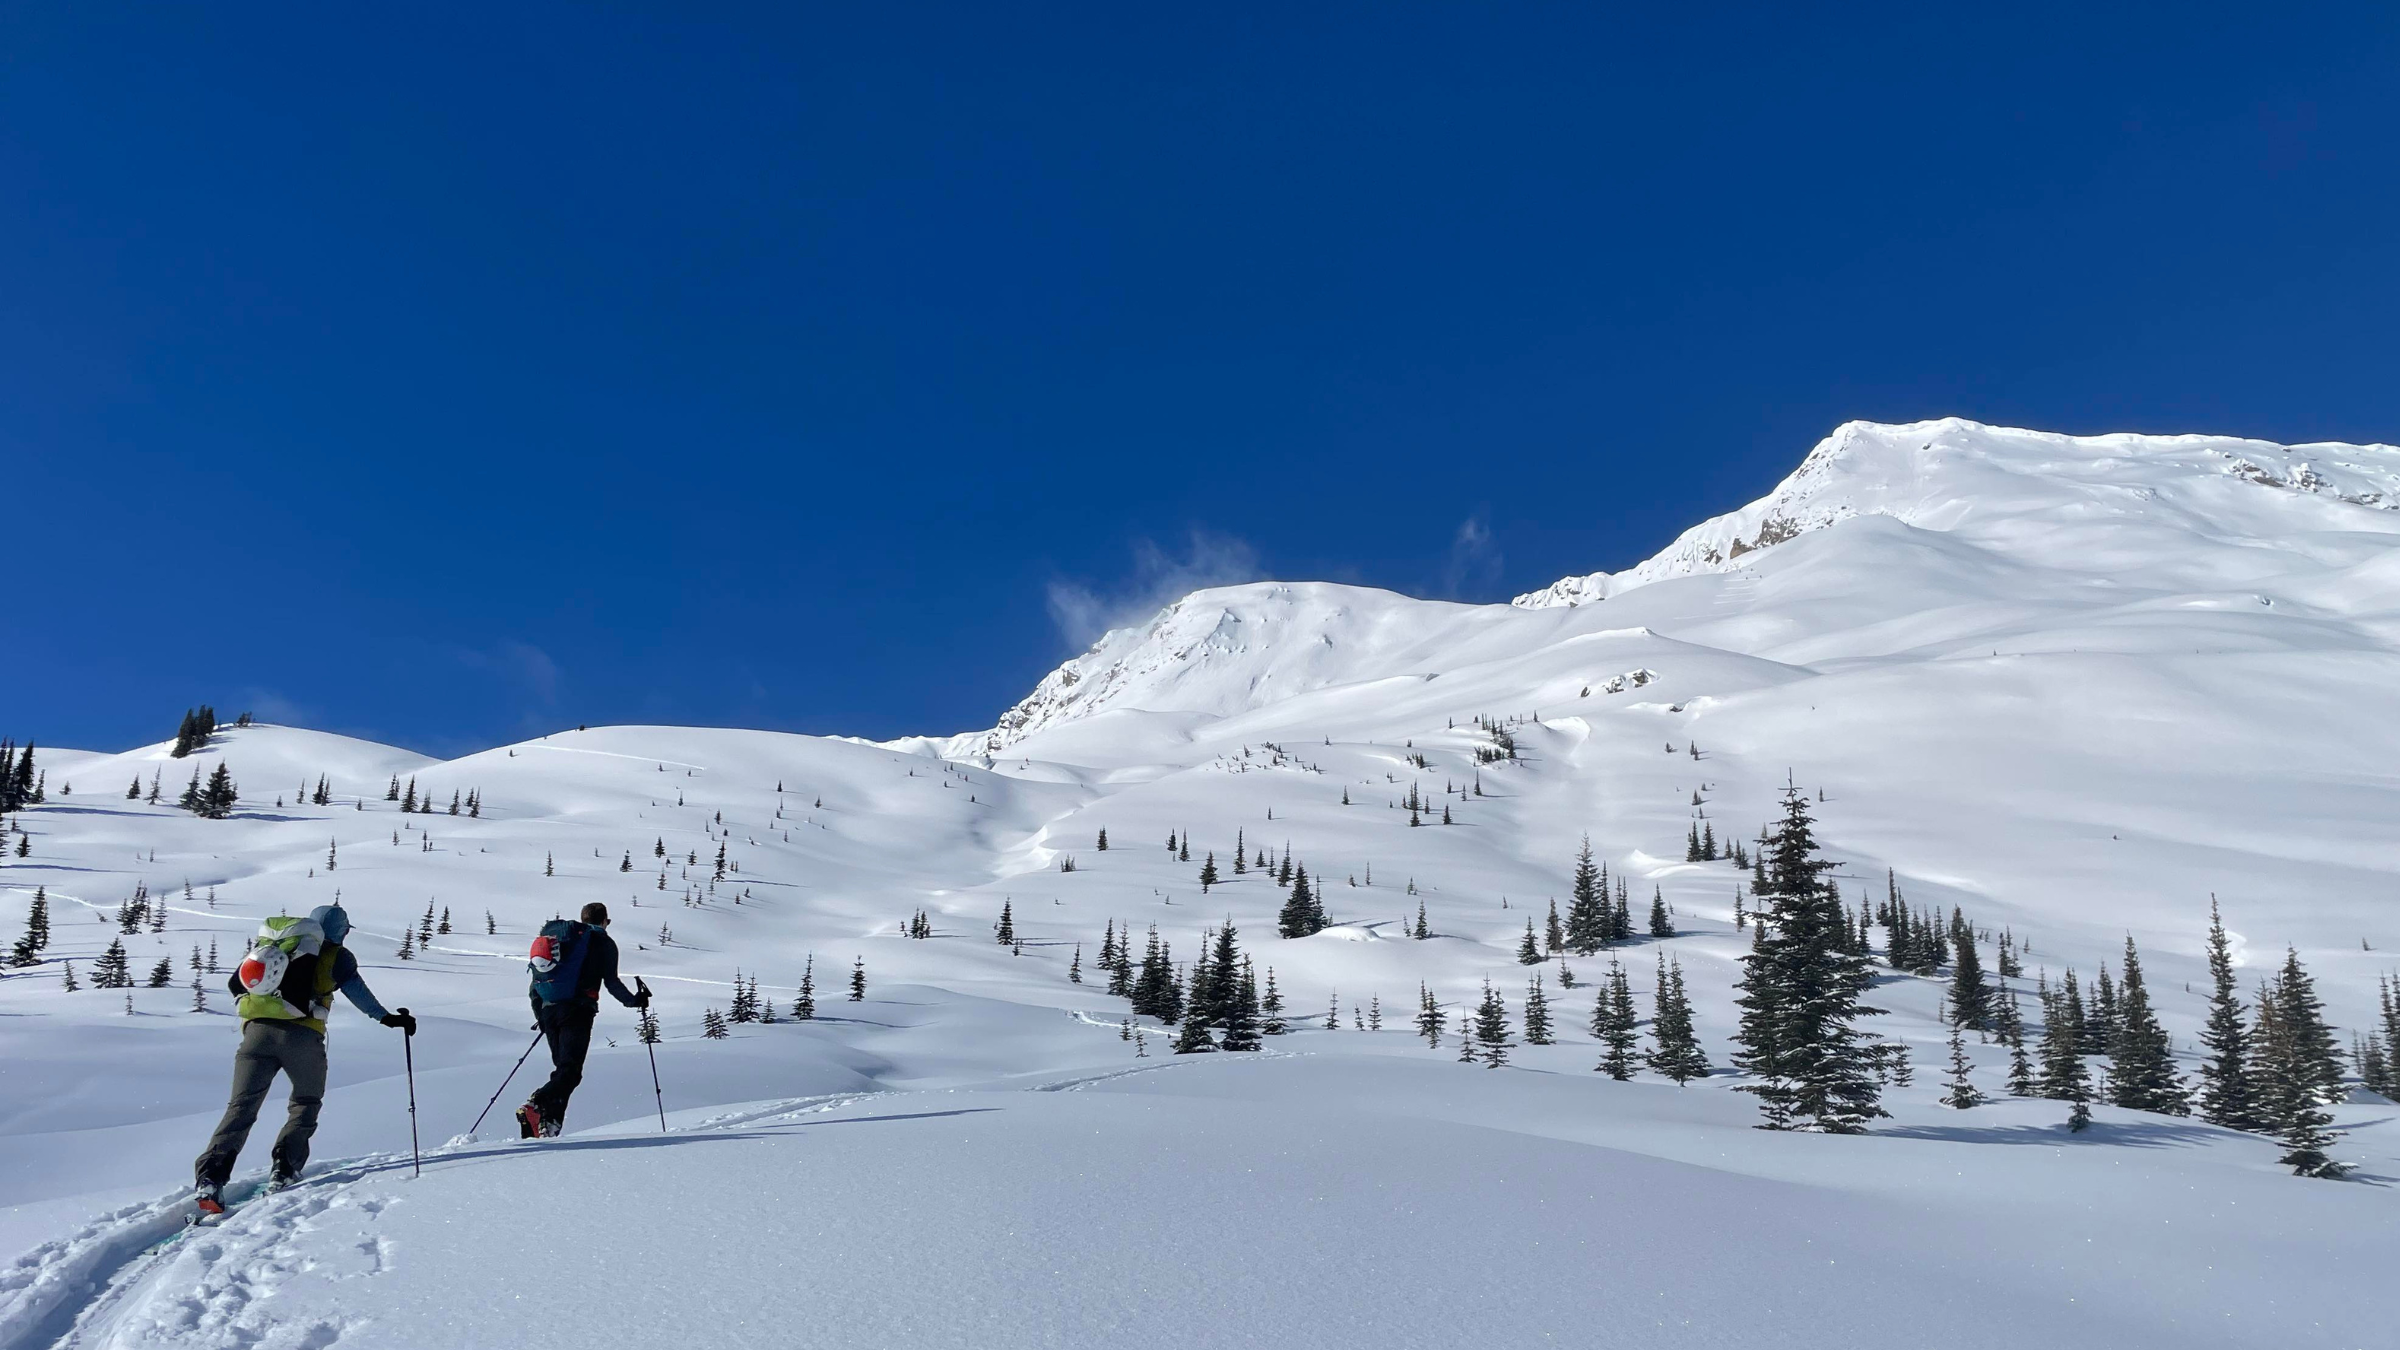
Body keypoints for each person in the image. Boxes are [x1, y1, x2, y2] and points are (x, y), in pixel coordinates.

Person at [193, 903, 413, 1214]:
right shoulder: (338, 956)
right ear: (341, 931)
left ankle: (210, 1178)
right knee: (305, 1103)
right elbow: (358, 993)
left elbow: (241, 982)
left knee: (241, 1108)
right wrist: (389, 1019)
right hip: (302, 1038)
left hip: (255, 1034)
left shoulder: (279, 947)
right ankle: (284, 1170)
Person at [518, 901, 647, 1138]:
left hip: (549, 1010)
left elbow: (534, 987)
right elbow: (612, 982)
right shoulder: (602, 941)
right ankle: (537, 1103)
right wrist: (634, 1001)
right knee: (570, 1071)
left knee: (564, 1071)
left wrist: (542, 1018)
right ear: (604, 920)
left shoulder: (562, 943)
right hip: (577, 1010)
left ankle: (548, 1125)